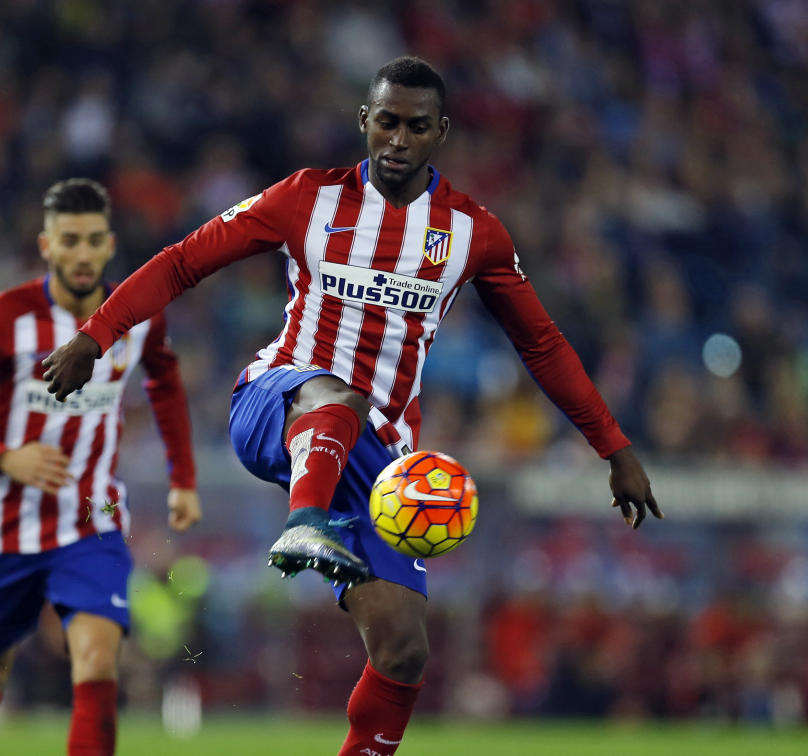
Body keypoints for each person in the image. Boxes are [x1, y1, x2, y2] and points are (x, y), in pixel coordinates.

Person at [41, 57, 661, 755]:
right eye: (386, 122)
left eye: (416, 127)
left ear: (440, 133)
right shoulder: (307, 198)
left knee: (402, 652)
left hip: (380, 458)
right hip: (276, 401)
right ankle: (305, 522)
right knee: (336, 395)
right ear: (365, 120)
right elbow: (185, 260)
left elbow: (541, 345)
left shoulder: (472, 233)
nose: (398, 139)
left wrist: (615, 448)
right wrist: (97, 337)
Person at [0, 178, 201, 755]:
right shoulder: (11, 316)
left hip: (92, 517)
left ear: (110, 244)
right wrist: (8, 456)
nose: (82, 254)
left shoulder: (137, 318)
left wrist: (183, 480)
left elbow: (166, 382)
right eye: (69, 240)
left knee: (97, 660)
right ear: (47, 245)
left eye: (92, 240)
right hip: (8, 523)